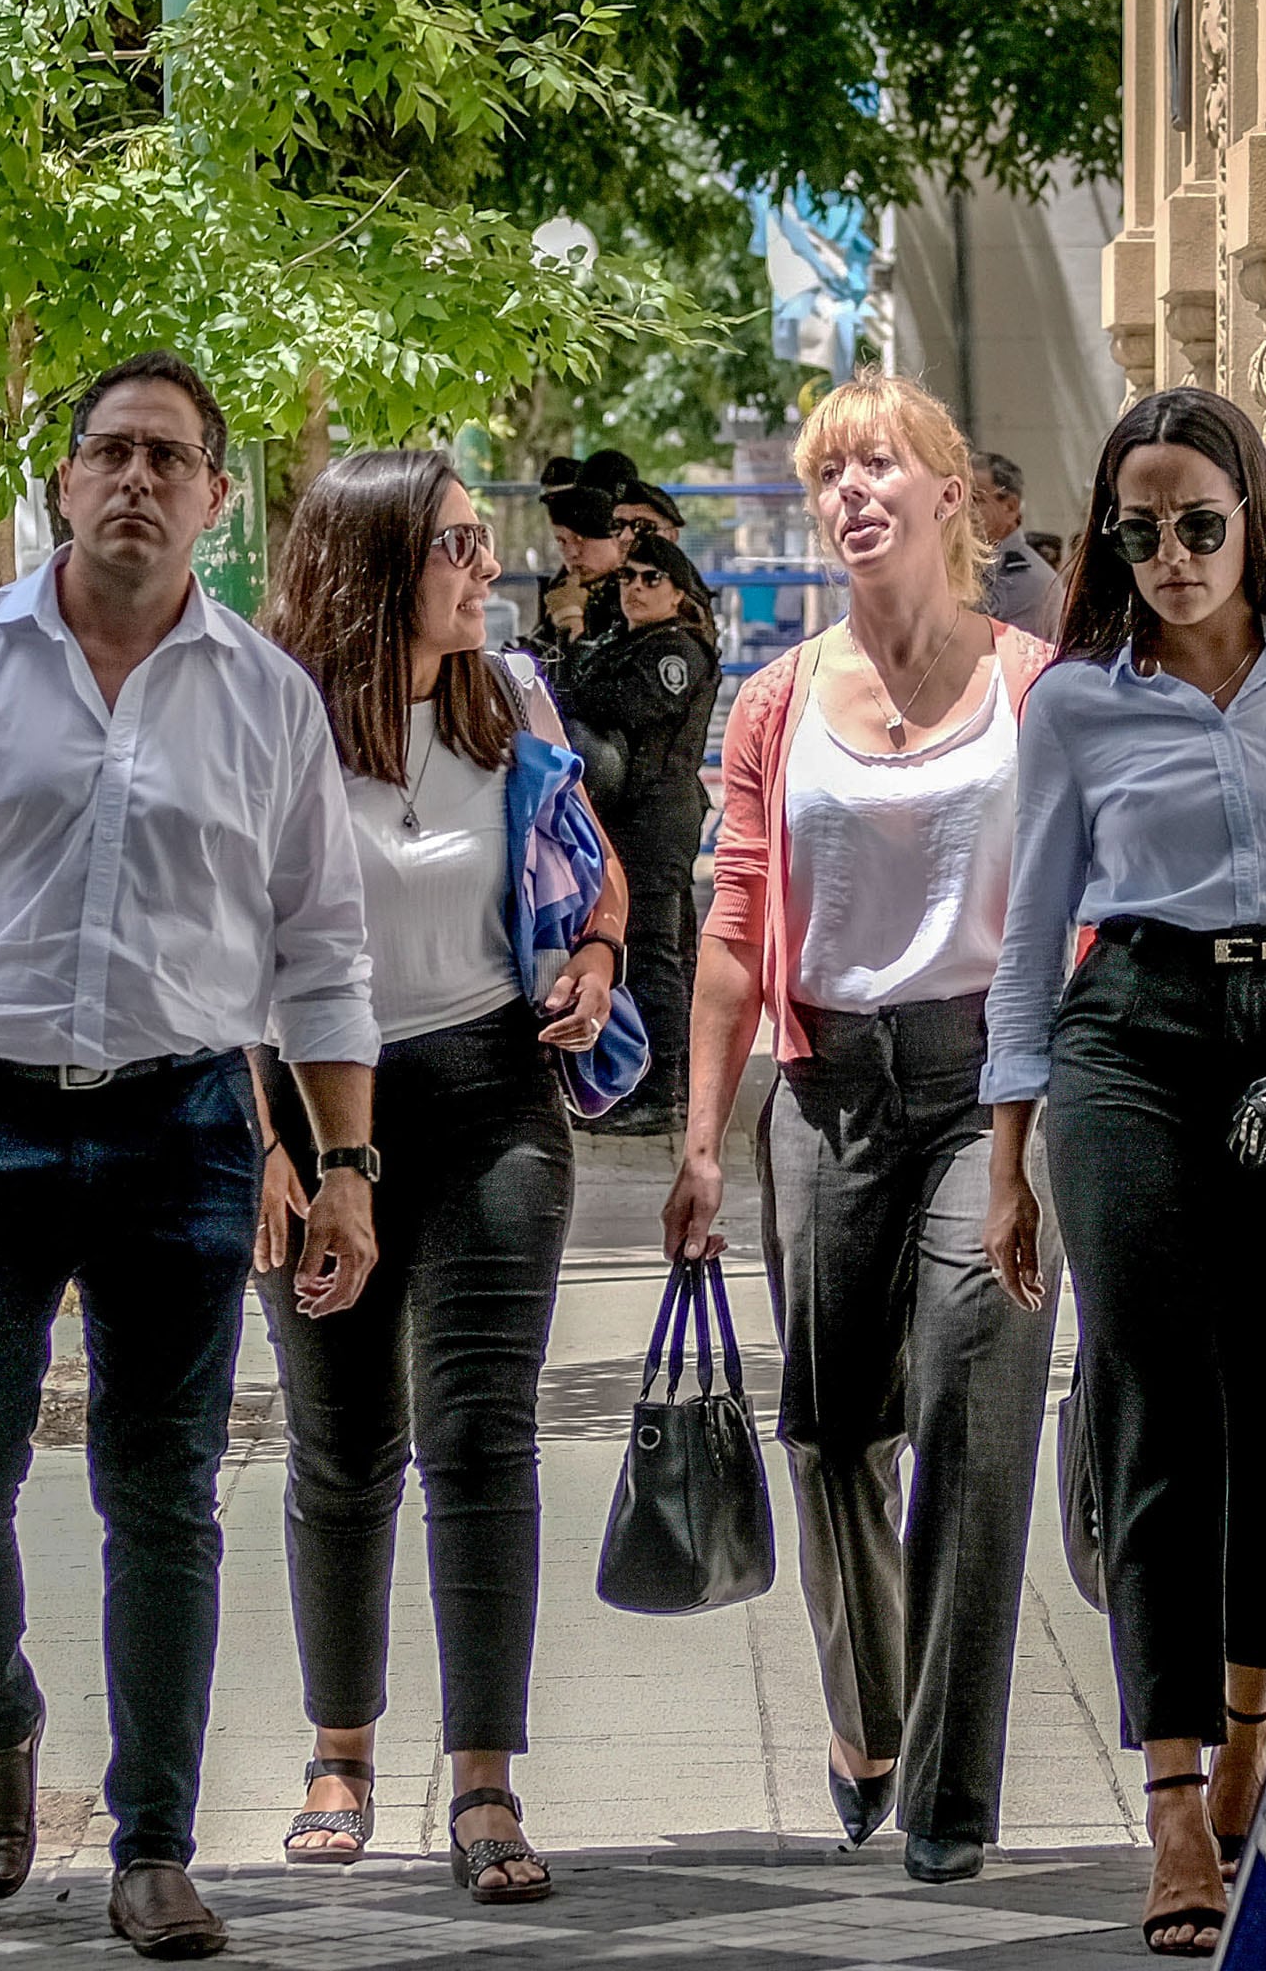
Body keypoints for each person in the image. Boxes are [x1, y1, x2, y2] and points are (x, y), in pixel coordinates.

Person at [0, 351, 384, 1961]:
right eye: (110, 452)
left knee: (164, 1496)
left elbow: (324, 949)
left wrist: (344, 1165)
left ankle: (154, 1842)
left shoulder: (266, 698)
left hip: (180, 1126)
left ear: (212, 495)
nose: (136, 480)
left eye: (168, 458)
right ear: (62, 480)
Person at [979, 386, 1266, 1955]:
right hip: (1133, 1036)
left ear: (1253, 513)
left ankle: (1257, 1706)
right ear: (1108, 539)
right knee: (1153, 1388)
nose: (1172, 554)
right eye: (1139, 529)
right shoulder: (1075, 703)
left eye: (1199, 523)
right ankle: (1175, 1789)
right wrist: (1012, 1154)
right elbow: (1032, 937)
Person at [662, 370, 1062, 1886]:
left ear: (952, 498)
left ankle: (952, 1803)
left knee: (974, 1420)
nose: (853, 494)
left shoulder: (1038, 684)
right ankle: (872, 1714)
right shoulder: (776, 702)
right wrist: (704, 1137)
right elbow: (734, 922)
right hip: (825, 1089)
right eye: (832, 474)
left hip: (992, 1093)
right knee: (834, 1430)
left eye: (881, 466)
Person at [252, 449, 629, 1904]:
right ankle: (339, 1754)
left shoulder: (511, 702)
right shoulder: (276, 725)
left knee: (480, 1435)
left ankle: (485, 1784)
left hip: (491, 1102)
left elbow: (595, 882)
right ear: (379, 565)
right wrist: (270, 1146)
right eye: (462, 544)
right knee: (342, 1445)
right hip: (308, 1105)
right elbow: (223, 957)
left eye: (486, 542)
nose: (489, 566)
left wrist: (593, 970)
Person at [556, 530, 719, 1135]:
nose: (635, 589)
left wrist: (574, 656)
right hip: (623, 815)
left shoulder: (676, 651)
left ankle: (660, 1094)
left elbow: (616, 704)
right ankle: (636, 1086)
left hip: (658, 813)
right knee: (638, 951)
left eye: (652, 580)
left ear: (678, 592)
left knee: (653, 956)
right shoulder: (623, 643)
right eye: (628, 578)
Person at [522, 479, 627, 670]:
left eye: (582, 540)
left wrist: (570, 621)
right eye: (562, 542)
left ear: (616, 539)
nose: (572, 553)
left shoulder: (635, 593)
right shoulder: (566, 589)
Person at [970, 452, 1058, 640]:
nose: (963, 510)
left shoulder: (1032, 582)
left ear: (1010, 507)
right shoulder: (949, 566)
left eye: (976, 499)